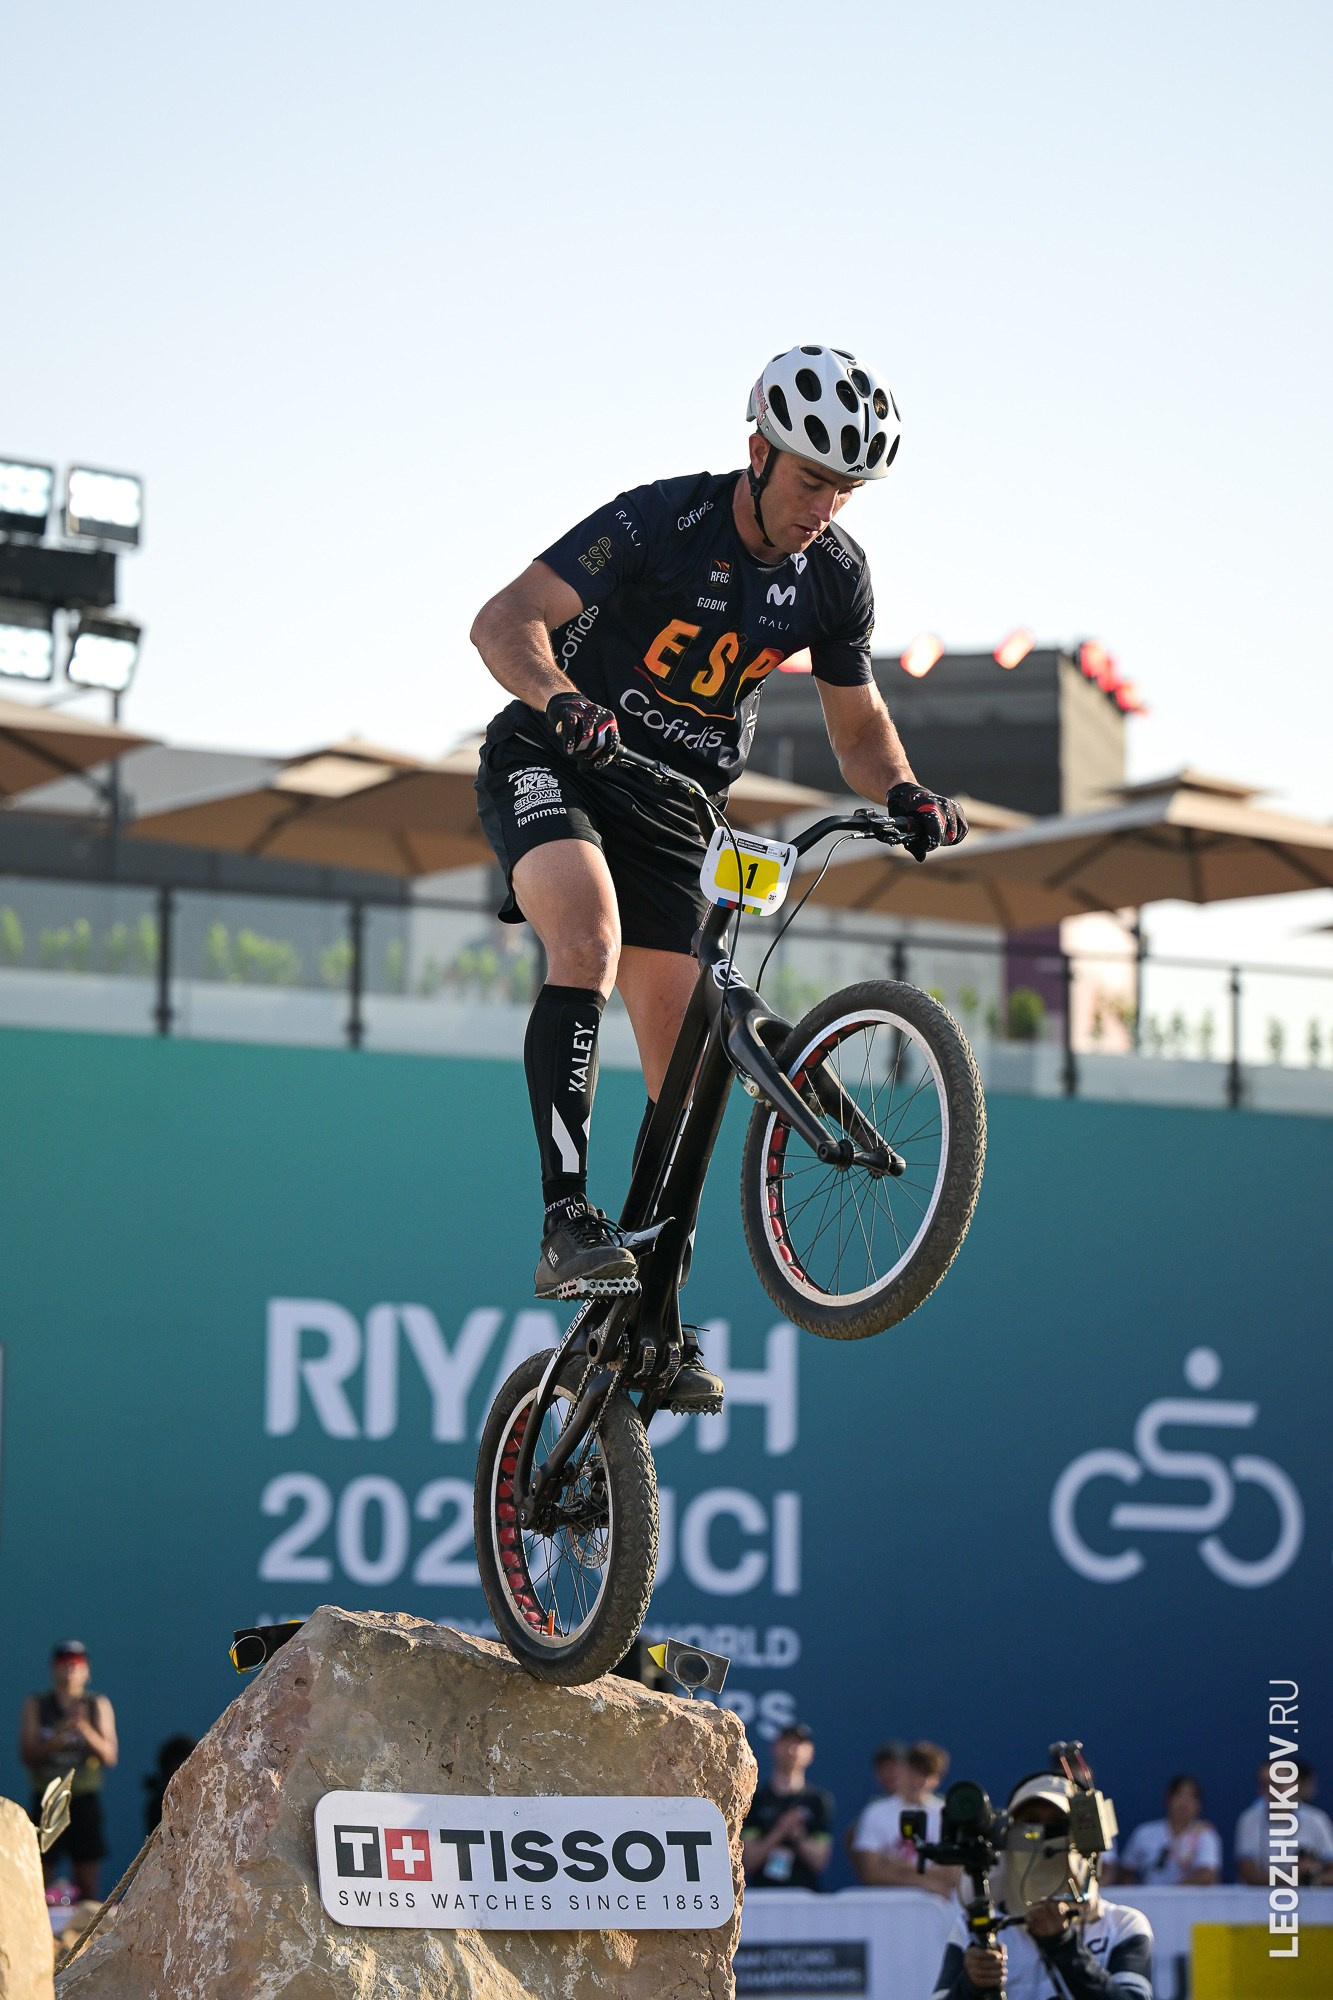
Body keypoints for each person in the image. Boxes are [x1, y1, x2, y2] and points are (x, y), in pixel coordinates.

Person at [471, 345, 968, 1410]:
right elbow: (502, 619)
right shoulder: (658, 521)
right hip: (557, 756)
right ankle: (567, 1218)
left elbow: (857, 722)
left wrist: (906, 789)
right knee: (588, 938)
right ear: (755, 452)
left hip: (674, 808)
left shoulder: (835, 576)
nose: (823, 507)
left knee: (689, 1067)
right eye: (808, 479)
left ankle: (648, 1311)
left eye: (845, 487)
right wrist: (559, 698)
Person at [931, 1772, 1154, 1999]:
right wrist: (969, 1985)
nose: (1041, 1836)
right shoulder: (974, 1929)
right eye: (1030, 1823)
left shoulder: (1121, 1925)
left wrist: (1064, 1947)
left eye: (1058, 1824)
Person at [18, 1640, 118, 1900]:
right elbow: (27, 1754)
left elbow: (109, 1755)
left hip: (84, 1798)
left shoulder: (97, 1704)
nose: (70, 1669)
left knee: (87, 1880)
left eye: (77, 1663)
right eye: (64, 1663)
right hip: (47, 1797)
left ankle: (87, 1935)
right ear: (53, 1668)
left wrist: (83, 1728)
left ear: (87, 1670)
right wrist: (58, 1737)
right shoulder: (37, 1704)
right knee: (39, 1874)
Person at [851, 1740, 961, 1896]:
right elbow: (870, 1872)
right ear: (903, 1770)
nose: (919, 1780)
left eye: (927, 1773)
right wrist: (925, 1882)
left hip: (939, 1907)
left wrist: (895, 1866)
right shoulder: (875, 1812)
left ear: (937, 1779)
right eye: (914, 1771)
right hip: (891, 1908)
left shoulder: (947, 1815)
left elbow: (954, 1873)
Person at [742, 1722, 835, 1891]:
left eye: (799, 1744)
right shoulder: (755, 1799)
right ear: (774, 1748)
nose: (792, 1749)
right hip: (763, 1895)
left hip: (805, 1895)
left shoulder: (818, 1801)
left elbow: (819, 1861)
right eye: (787, 1742)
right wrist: (780, 1830)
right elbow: (749, 1860)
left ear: (811, 1753)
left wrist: (797, 1834)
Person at [1235, 1758, 1333, 1885]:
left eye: (1279, 1783)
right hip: (1259, 1900)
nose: (1273, 1790)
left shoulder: (1316, 1820)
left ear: (1294, 1785)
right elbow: (1249, 1874)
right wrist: (1299, 1876)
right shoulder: (1249, 1819)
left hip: (1307, 1900)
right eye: (1265, 1784)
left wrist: (1312, 1876)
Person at [1116, 1774, 1221, 1886]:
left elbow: (1207, 1875)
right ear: (1167, 1799)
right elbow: (1125, 1871)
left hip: (1192, 1902)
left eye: (1191, 1797)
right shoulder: (1144, 1833)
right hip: (1148, 1900)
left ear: (1199, 1805)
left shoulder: (1206, 1835)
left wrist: (1170, 1892)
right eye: (1179, 1795)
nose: (1184, 1802)